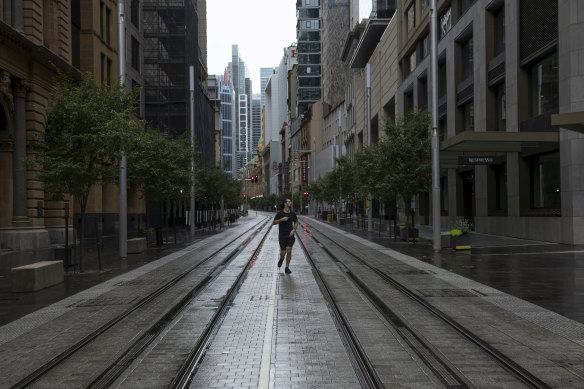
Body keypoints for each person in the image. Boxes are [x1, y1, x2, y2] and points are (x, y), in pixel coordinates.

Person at [272, 198, 298, 274]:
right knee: (283, 252)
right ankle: (281, 259)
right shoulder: (280, 213)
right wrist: (281, 219)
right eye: (289, 201)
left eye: (290, 201)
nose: (291, 202)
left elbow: (296, 222)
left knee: (289, 250)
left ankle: (287, 267)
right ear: (285, 204)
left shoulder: (293, 213)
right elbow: (273, 222)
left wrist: (293, 230)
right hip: (282, 235)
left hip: (290, 235)